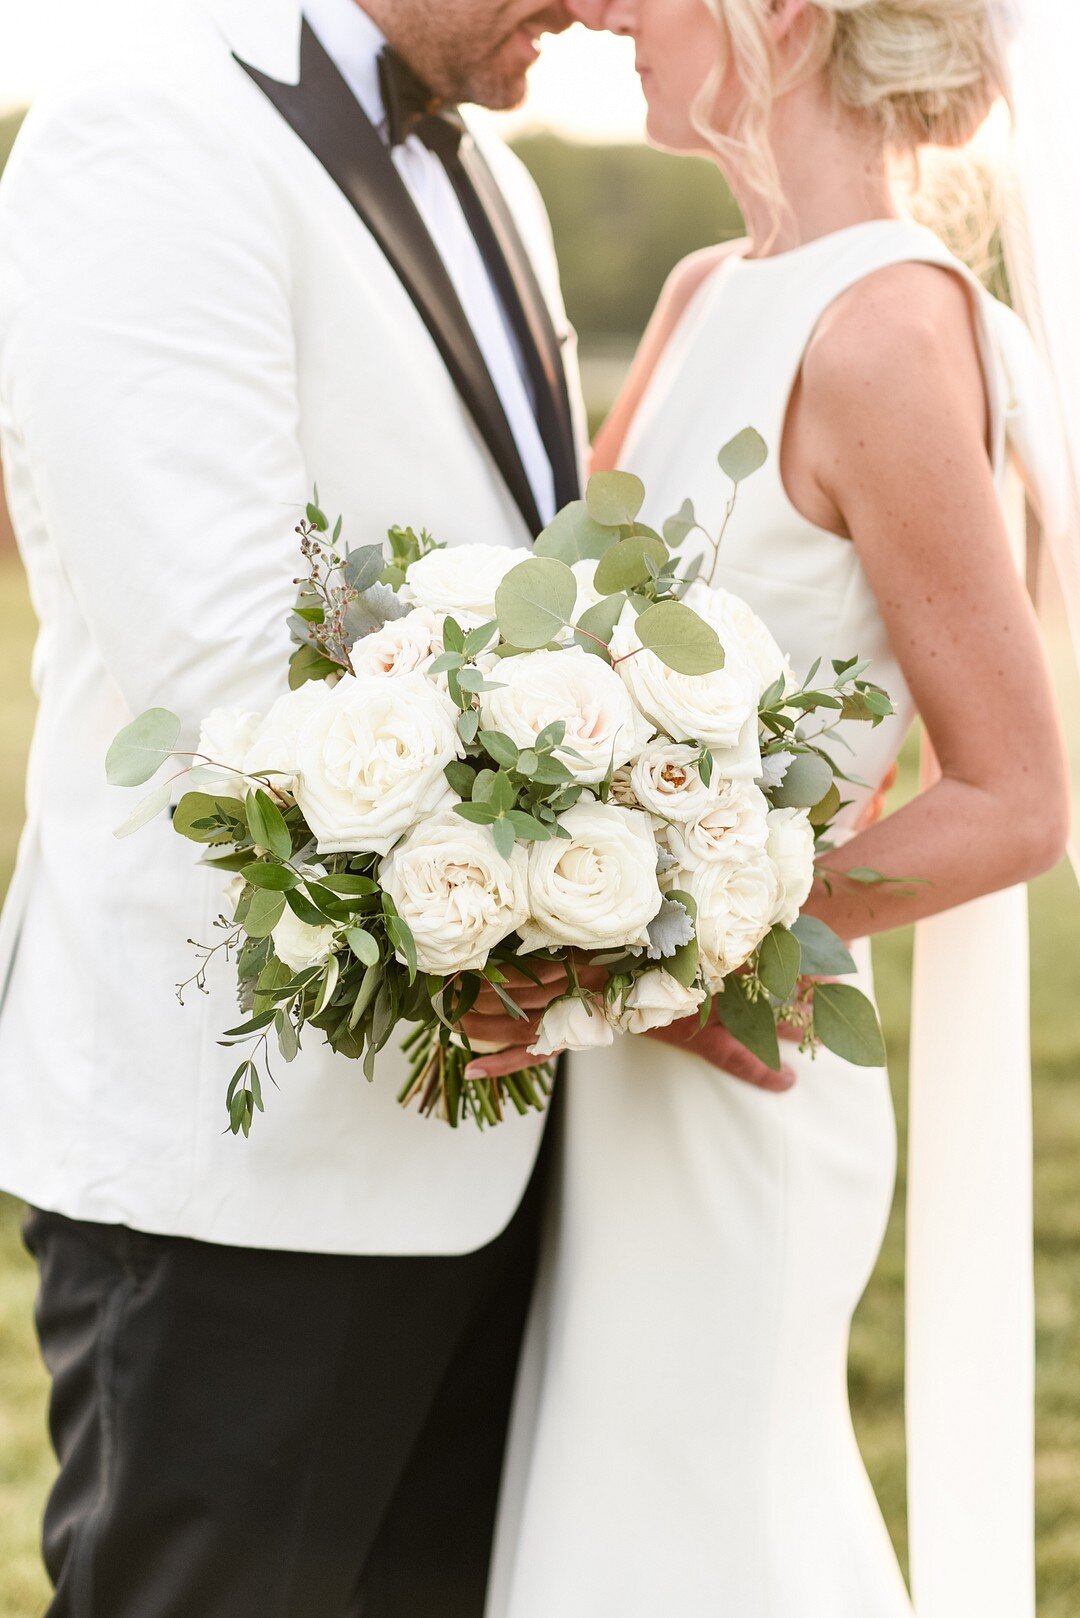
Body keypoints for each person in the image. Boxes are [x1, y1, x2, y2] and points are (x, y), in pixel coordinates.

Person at [477, 3, 1072, 1615]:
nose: (601, 9)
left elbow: (1019, 798)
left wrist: (690, 958)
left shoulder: (884, 324)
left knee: (702, 1526)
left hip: (750, 1075)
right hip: (617, 1080)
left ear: (785, 14)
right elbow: (555, 647)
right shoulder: (701, 292)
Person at [0, 0, 588, 1612]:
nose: (598, 9)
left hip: (493, 1150)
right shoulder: (146, 126)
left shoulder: (501, 182)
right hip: (236, 1172)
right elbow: (222, 676)